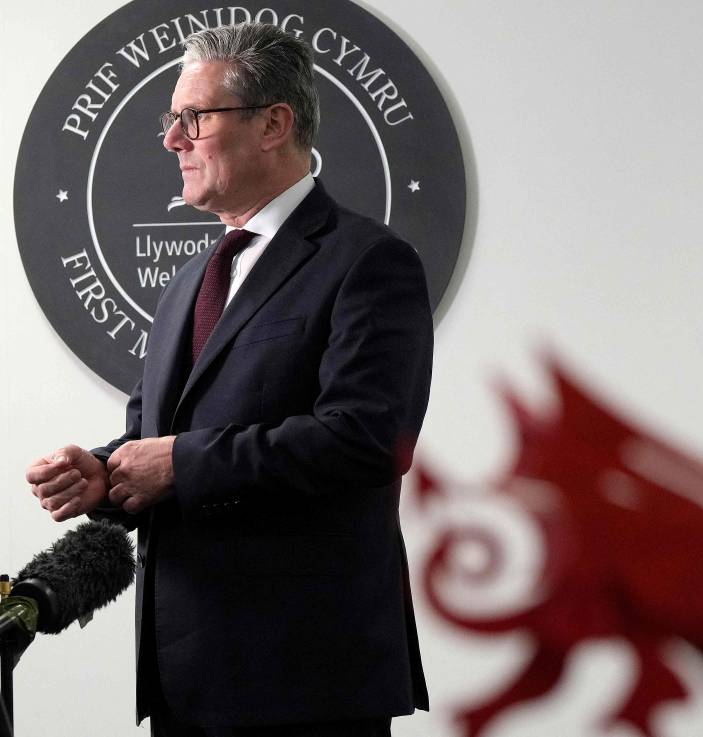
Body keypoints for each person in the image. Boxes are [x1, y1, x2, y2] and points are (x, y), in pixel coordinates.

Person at [24, 22, 432, 737]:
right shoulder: (189, 280)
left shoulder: (368, 261)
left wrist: (179, 464)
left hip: (306, 678)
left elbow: (364, 440)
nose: (170, 140)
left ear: (273, 124)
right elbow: (157, 435)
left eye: (194, 118)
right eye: (170, 119)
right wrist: (105, 474)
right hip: (184, 676)